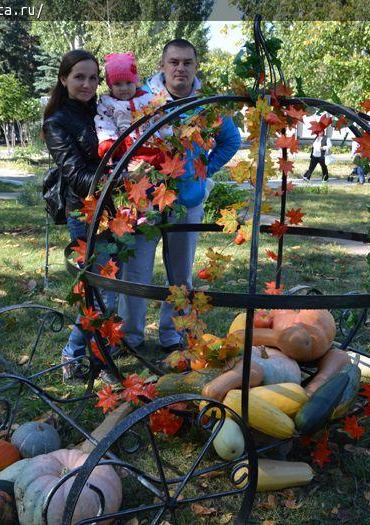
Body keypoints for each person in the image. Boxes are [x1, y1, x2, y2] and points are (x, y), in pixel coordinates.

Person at [119, 39, 241, 353]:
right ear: (162, 65)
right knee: (136, 272)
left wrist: (204, 169)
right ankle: (130, 337)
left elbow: (230, 140)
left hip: (187, 202)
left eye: (187, 62)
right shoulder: (144, 99)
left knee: (180, 275)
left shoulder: (208, 105)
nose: (180, 68)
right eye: (174, 62)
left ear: (195, 67)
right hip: (145, 201)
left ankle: (171, 335)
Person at [42, 49, 120, 382]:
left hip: (114, 210)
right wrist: (121, 177)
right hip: (85, 213)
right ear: (64, 79)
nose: (87, 84)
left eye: (93, 78)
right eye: (79, 77)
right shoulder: (56, 123)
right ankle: (83, 357)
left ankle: (89, 353)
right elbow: (76, 176)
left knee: (105, 290)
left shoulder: (103, 110)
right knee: (101, 292)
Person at [94, 52, 167, 166]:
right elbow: (104, 123)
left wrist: (165, 131)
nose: (124, 88)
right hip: (127, 153)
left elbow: (159, 120)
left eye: (129, 83)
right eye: (118, 84)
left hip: (152, 148)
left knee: (161, 171)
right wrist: (108, 142)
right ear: (110, 85)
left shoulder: (148, 98)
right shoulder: (107, 104)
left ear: (135, 82)